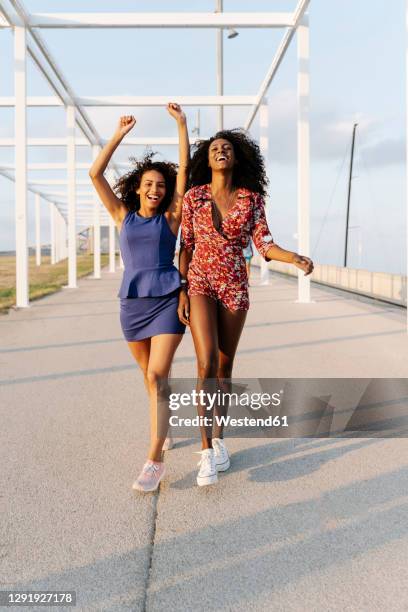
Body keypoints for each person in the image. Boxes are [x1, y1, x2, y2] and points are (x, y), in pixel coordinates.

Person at [178, 129, 314, 487]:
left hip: (235, 286)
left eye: (226, 149)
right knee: (205, 361)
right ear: (206, 160)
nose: (220, 151)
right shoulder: (194, 197)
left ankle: (219, 440)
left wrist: (294, 258)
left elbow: (264, 244)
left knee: (224, 366)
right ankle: (206, 452)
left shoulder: (251, 199)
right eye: (214, 149)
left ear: (236, 158)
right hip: (200, 282)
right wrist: (181, 289)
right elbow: (186, 246)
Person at [89, 103, 189, 493]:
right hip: (131, 305)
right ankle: (162, 429)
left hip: (166, 300)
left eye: (160, 185)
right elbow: (94, 174)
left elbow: (185, 169)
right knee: (149, 381)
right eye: (148, 184)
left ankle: (154, 458)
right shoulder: (122, 216)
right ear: (137, 188)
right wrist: (117, 135)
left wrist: (181, 125)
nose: (155, 189)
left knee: (157, 375)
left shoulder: (171, 218)